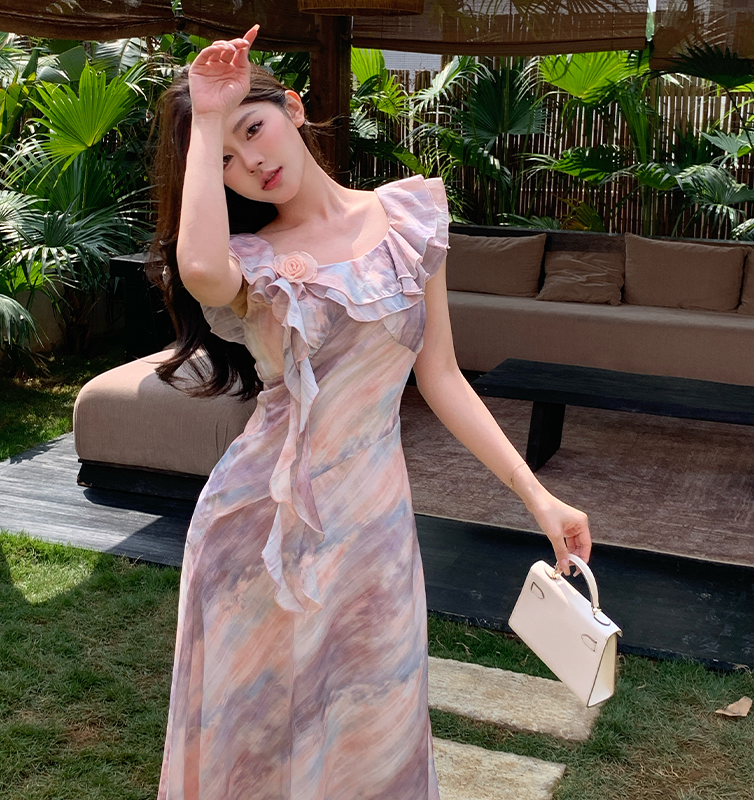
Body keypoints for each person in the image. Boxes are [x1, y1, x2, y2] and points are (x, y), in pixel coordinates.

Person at [149, 23, 592, 800]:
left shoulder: (409, 218)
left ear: (292, 108)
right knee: (256, 737)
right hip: (261, 530)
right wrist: (210, 115)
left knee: (375, 726)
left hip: (373, 525)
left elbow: (441, 376)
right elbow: (200, 267)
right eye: (224, 159)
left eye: (253, 129)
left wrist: (538, 496)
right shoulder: (251, 262)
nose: (251, 163)